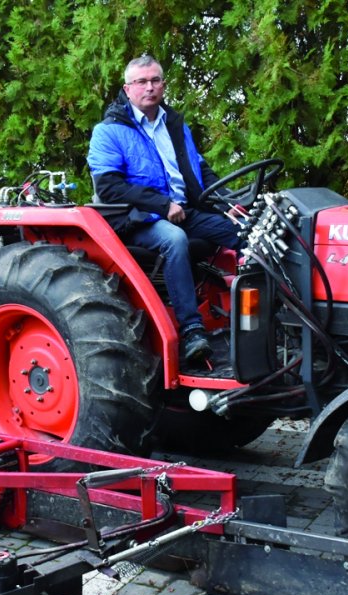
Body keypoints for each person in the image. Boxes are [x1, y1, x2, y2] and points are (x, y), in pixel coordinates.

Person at [87, 54, 242, 365]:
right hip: (137, 219)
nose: (150, 87)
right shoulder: (109, 131)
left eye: (155, 80)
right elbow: (108, 186)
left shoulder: (174, 124)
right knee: (174, 240)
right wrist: (162, 204)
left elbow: (199, 170)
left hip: (184, 211)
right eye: (141, 82)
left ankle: (270, 316)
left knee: (242, 230)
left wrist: (227, 202)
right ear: (127, 89)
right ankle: (192, 332)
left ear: (163, 85)